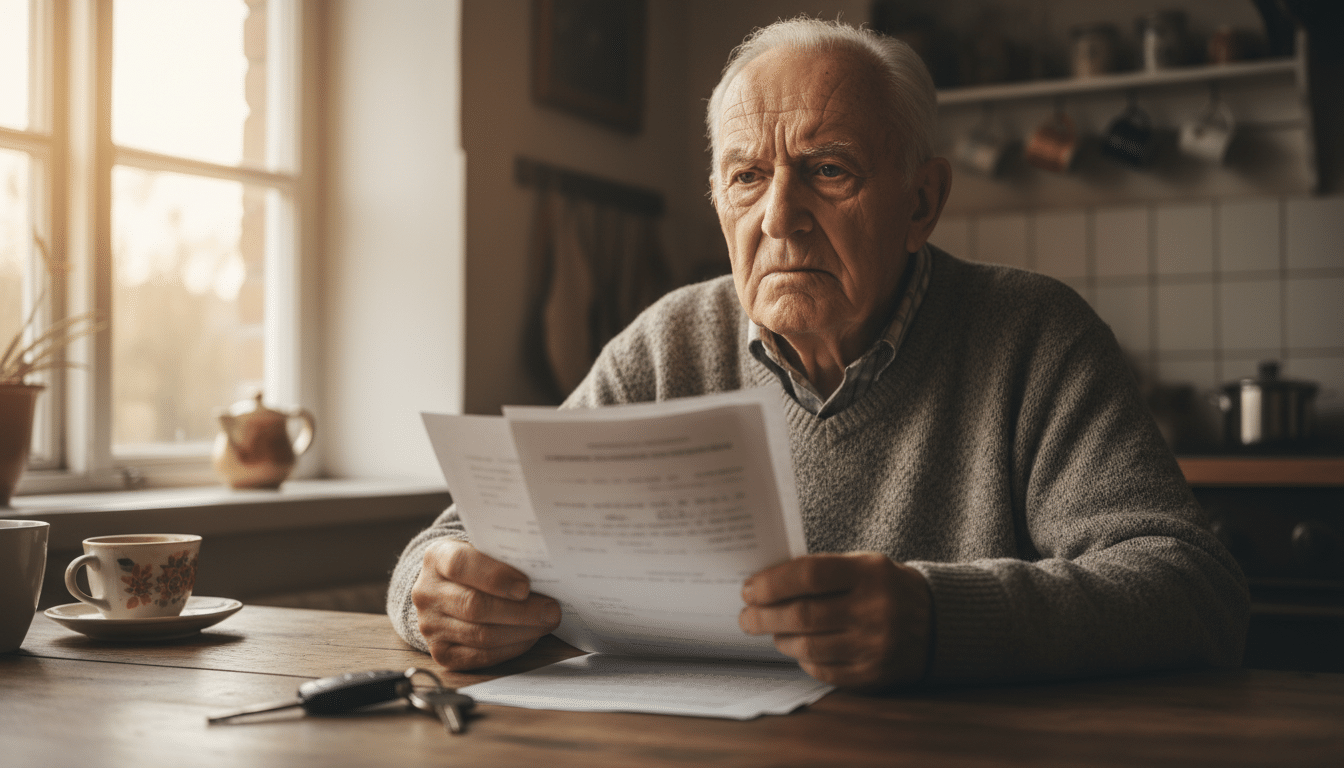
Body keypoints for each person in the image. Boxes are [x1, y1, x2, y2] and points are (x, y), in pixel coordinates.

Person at [388, 18, 1248, 690]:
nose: (779, 217)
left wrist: (939, 620)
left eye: (828, 170)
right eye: (746, 176)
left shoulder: (1033, 336)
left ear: (922, 202)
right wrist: (436, 597)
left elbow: (1193, 591)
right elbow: (451, 544)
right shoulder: (666, 343)